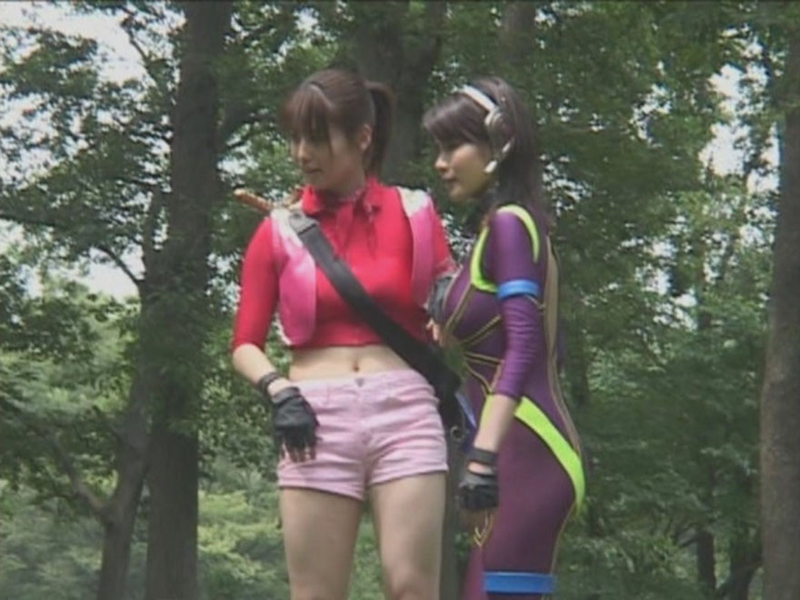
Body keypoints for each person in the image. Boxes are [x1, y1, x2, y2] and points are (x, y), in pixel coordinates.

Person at [231, 68, 456, 600]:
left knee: (412, 587)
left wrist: (449, 312)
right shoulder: (279, 231)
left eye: (317, 138)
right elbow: (244, 344)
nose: (302, 153)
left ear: (363, 137)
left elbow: (452, 293)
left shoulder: (416, 212)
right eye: (295, 139)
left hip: (406, 412)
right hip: (313, 416)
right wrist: (278, 390)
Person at [423, 77, 586, 600]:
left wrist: (482, 458)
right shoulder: (497, 230)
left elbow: (525, 346)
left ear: (499, 143)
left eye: (453, 146)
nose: (441, 163)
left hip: (526, 449)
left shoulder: (511, 225)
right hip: (509, 450)